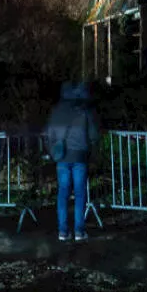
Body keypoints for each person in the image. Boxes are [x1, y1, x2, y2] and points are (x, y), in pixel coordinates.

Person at [44, 81, 100, 242]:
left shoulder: (56, 112)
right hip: (80, 157)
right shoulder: (84, 112)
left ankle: (62, 231)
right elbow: (93, 136)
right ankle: (79, 231)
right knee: (80, 194)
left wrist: (53, 153)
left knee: (63, 194)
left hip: (62, 158)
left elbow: (49, 136)